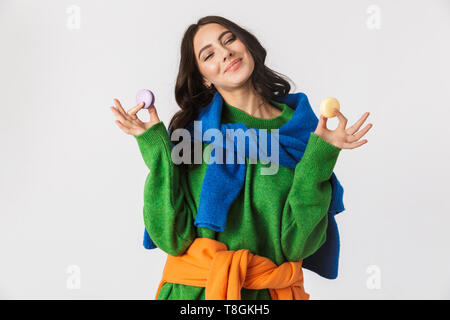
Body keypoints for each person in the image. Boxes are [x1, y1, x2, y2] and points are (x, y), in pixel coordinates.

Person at [109, 16, 373, 300]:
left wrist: (321, 158)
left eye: (229, 40)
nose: (225, 53)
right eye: (209, 54)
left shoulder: (304, 132)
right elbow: (171, 238)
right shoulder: (193, 134)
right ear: (203, 78)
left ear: (247, 44)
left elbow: (298, 245)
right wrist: (157, 150)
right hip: (194, 295)